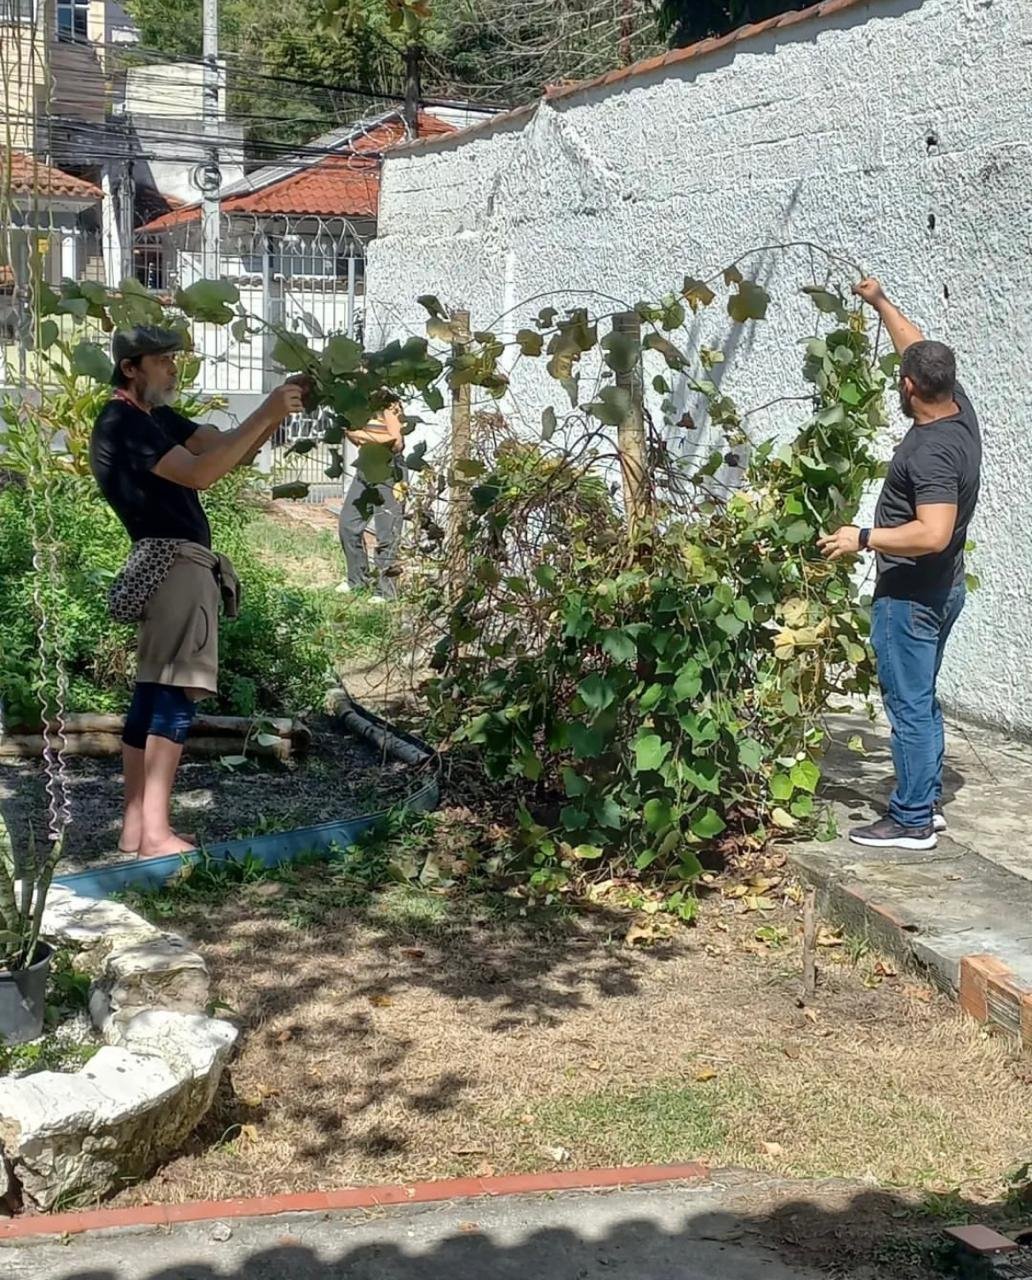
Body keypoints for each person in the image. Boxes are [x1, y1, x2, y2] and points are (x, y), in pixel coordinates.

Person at [89, 325, 305, 859]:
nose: (173, 369)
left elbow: (223, 449)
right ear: (130, 367)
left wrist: (279, 410)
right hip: (174, 565)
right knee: (174, 693)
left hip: (171, 566)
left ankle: (137, 830)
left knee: (151, 692)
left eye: (173, 359)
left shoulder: (151, 417)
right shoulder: (123, 422)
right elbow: (203, 473)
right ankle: (157, 833)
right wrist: (270, 410)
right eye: (162, 361)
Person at [818, 278, 981, 851]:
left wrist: (862, 537)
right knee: (922, 699)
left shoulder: (932, 450)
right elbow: (916, 346)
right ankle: (925, 800)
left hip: (913, 596)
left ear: (910, 387)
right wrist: (881, 302)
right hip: (943, 589)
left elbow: (933, 532)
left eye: (902, 378)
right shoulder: (956, 409)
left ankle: (911, 819)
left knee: (909, 707)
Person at [337, 397, 407, 601]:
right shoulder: (356, 404)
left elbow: (395, 441)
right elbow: (349, 432)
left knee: (388, 532)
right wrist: (367, 437)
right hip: (365, 467)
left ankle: (386, 592)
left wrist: (363, 437)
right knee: (348, 525)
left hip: (389, 470)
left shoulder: (389, 404)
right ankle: (357, 580)